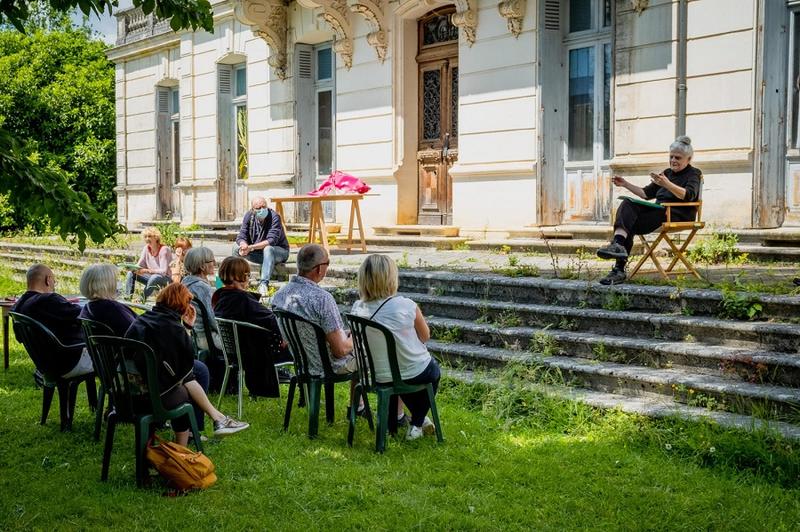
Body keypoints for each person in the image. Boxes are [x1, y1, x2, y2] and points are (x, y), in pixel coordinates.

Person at [125, 283, 249, 443]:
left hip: (123, 392)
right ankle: (183, 448)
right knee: (183, 392)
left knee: (190, 376)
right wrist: (188, 328)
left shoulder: (145, 319)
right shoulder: (172, 327)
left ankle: (218, 419)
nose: (190, 306)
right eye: (188, 302)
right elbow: (186, 362)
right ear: (181, 304)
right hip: (146, 396)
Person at [350, 254, 440, 440]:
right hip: (411, 372)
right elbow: (425, 336)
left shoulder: (357, 308)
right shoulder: (406, 305)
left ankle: (410, 423)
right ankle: (417, 423)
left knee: (399, 374)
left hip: (377, 375)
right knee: (433, 370)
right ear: (391, 278)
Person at [595, 136, 702, 285]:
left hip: (675, 215)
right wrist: (625, 184)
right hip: (658, 213)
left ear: (688, 159)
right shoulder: (667, 173)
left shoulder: (694, 173)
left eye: (677, 158)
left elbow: (689, 195)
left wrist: (667, 184)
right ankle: (618, 248)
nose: (673, 160)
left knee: (631, 221)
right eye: (671, 157)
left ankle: (619, 267)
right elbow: (645, 194)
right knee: (627, 205)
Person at [272, 244, 356, 378]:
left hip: (302, 364)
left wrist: (342, 334)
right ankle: (366, 392)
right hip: (328, 366)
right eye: (327, 263)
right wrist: (357, 336)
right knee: (368, 352)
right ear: (319, 269)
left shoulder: (279, 295)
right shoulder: (322, 299)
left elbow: (310, 332)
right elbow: (340, 350)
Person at [212, 256, 292, 396]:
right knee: (299, 345)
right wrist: (284, 336)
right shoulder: (242, 299)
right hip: (253, 354)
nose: (249, 278)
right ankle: (304, 389)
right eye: (247, 274)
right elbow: (269, 318)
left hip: (235, 352)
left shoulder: (220, 297)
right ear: (239, 276)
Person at [12, 264, 93, 378]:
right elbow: (85, 315)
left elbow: (19, 338)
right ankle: (112, 387)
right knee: (111, 353)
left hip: (45, 364)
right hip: (69, 361)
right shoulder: (49, 300)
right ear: (48, 280)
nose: (54, 284)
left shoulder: (18, 306)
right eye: (54, 281)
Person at [233, 196, 290, 296]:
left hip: (279, 252)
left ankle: (264, 284)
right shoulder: (249, 216)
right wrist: (243, 245)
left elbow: (271, 241)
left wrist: (251, 247)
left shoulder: (274, 217)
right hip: (258, 252)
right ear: (253, 209)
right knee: (235, 248)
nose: (262, 210)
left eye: (264, 207)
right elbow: (241, 235)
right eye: (258, 208)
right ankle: (237, 281)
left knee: (268, 249)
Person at [78, 263, 137, 336]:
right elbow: (138, 332)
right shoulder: (113, 309)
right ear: (106, 285)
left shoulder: (88, 308)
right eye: (116, 280)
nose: (119, 282)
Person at [125, 227, 172, 300]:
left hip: (165, 280)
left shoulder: (164, 250)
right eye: (145, 236)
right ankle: (128, 298)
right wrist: (132, 268)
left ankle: (142, 299)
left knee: (154, 277)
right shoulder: (146, 248)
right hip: (151, 278)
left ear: (156, 237)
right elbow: (139, 265)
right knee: (130, 273)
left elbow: (163, 271)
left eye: (149, 236)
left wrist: (147, 271)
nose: (147, 239)